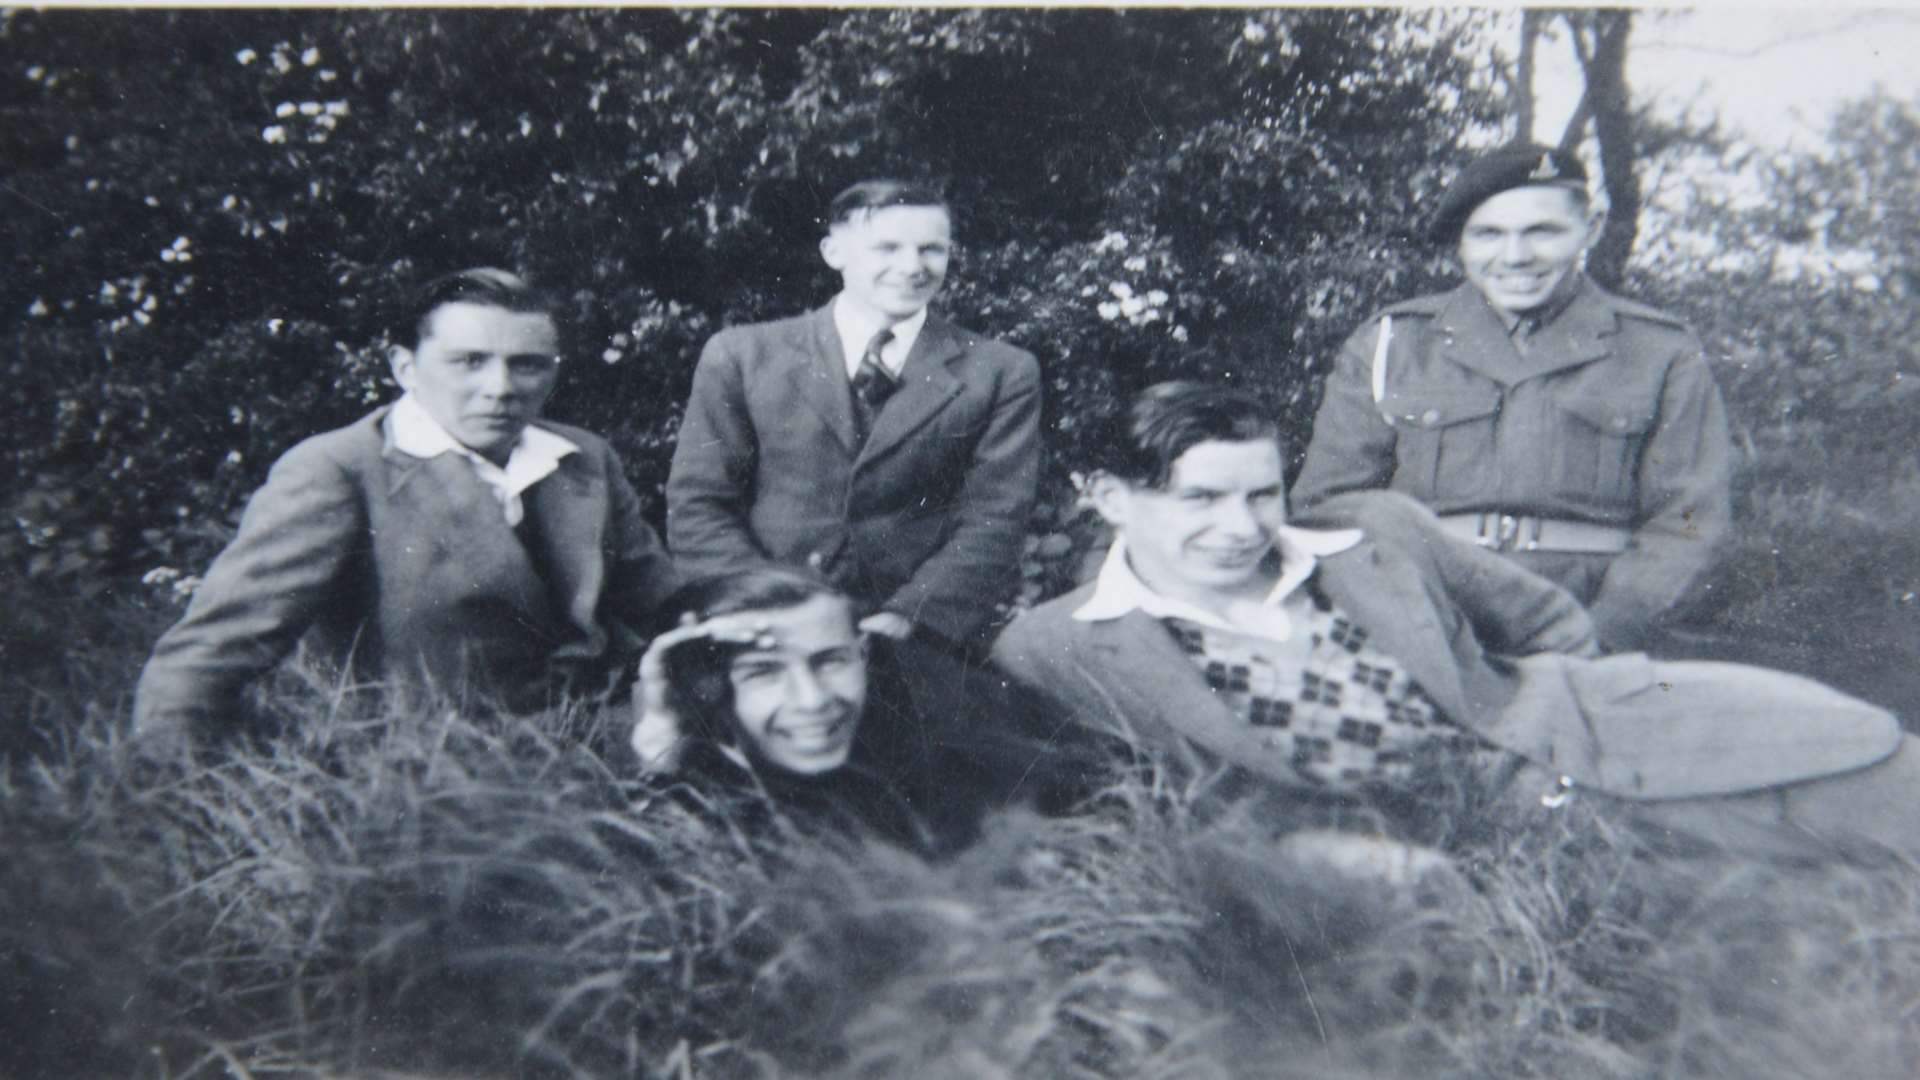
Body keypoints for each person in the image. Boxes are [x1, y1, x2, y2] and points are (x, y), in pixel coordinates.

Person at [994, 382, 1920, 863]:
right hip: (1442, 852)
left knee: (1872, 761)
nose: (1240, 530)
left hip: (1593, 741)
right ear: (1109, 497)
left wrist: (1571, 720)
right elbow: (1143, 818)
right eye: (1200, 500)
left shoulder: (1374, 530)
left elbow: (1553, 625)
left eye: (1262, 494)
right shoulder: (1057, 648)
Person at [134, 268, 679, 749]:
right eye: (469, 362)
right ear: (405, 368)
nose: (501, 388)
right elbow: (210, 654)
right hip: (421, 774)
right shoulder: (340, 469)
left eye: (528, 365)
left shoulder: (581, 457)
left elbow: (660, 601)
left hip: (599, 743)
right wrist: (184, 808)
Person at [1292, 143, 1734, 652]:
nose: (1515, 257)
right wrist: (1395, 622)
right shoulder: (1395, 344)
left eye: (1542, 231)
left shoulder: (1659, 352)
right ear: (1462, 242)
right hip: (1424, 609)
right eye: (1488, 234)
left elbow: (1689, 523)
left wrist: (1604, 635)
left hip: (1589, 615)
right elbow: (1330, 510)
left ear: (1589, 229)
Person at [665, 179, 1041, 658]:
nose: (911, 267)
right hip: (763, 629)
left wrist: (910, 617)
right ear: (834, 251)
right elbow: (698, 503)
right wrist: (765, 607)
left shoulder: (1000, 370)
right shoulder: (743, 355)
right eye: (886, 247)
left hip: (919, 640)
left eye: (932, 250)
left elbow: (995, 517)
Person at [628, 569, 1043, 857]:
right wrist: (662, 742)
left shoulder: (942, 748)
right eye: (763, 672)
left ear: (864, 653)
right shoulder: (690, 770)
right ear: (704, 688)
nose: (812, 700)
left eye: (830, 662)